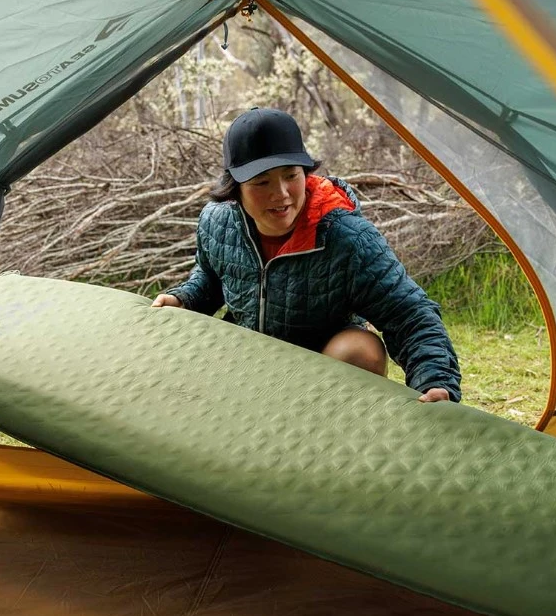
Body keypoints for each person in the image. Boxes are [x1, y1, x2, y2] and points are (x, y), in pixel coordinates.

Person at [152, 107, 460, 403]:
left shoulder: (347, 237)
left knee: (362, 350)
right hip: (248, 353)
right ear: (235, 187)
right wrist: (185, 298)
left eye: (291, 175)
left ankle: (333, 423)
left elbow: (408, 313)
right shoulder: (216, 220)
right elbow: (210, 277)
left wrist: (435, 380)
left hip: (320, 364)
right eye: (262, 182)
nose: (281, 193)